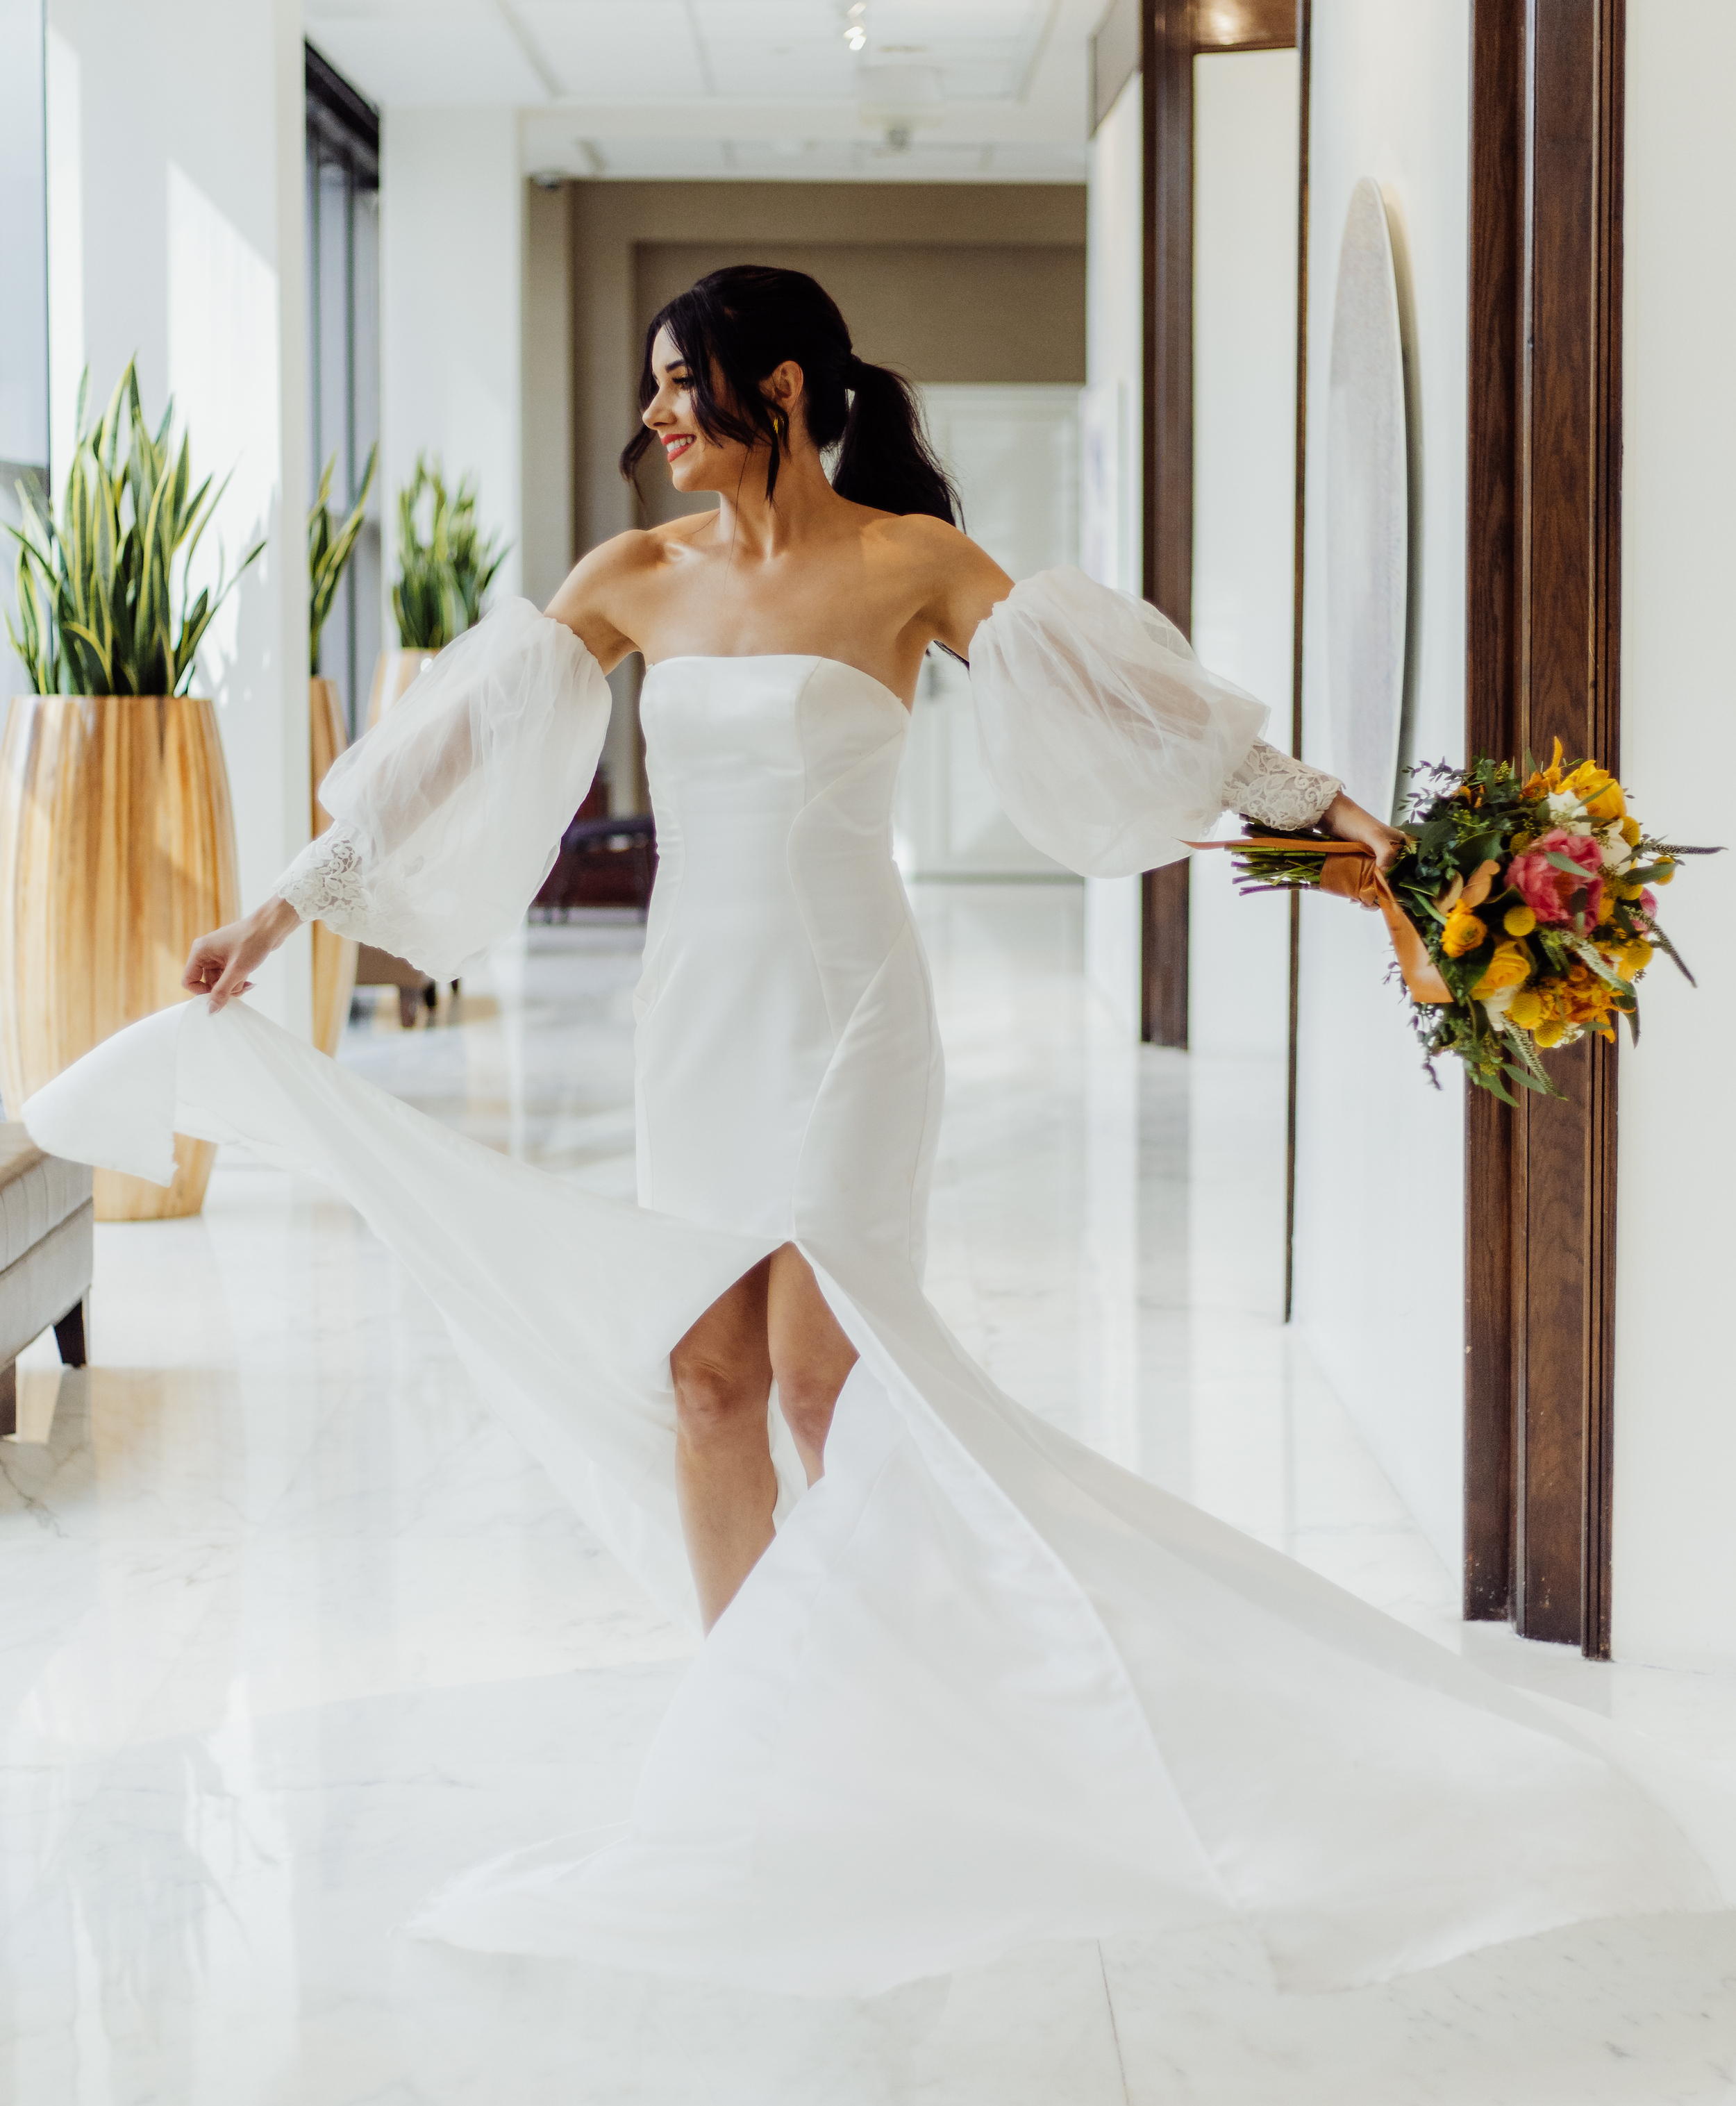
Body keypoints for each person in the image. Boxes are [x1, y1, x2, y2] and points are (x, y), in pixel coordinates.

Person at [29, 267, 1723, 1996]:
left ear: (779, 385)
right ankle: (741, 1735)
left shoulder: (913, 565)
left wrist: (1367, 839)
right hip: (696, 1015)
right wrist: (275, 915)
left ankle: (869, 1714)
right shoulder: (629, 579)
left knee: (834, 1384)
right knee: (701, 1376)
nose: (656, 421)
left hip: (848, 1012)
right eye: (650, 392)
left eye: (682, 386)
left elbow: (1138, 716)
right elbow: (435, 760)